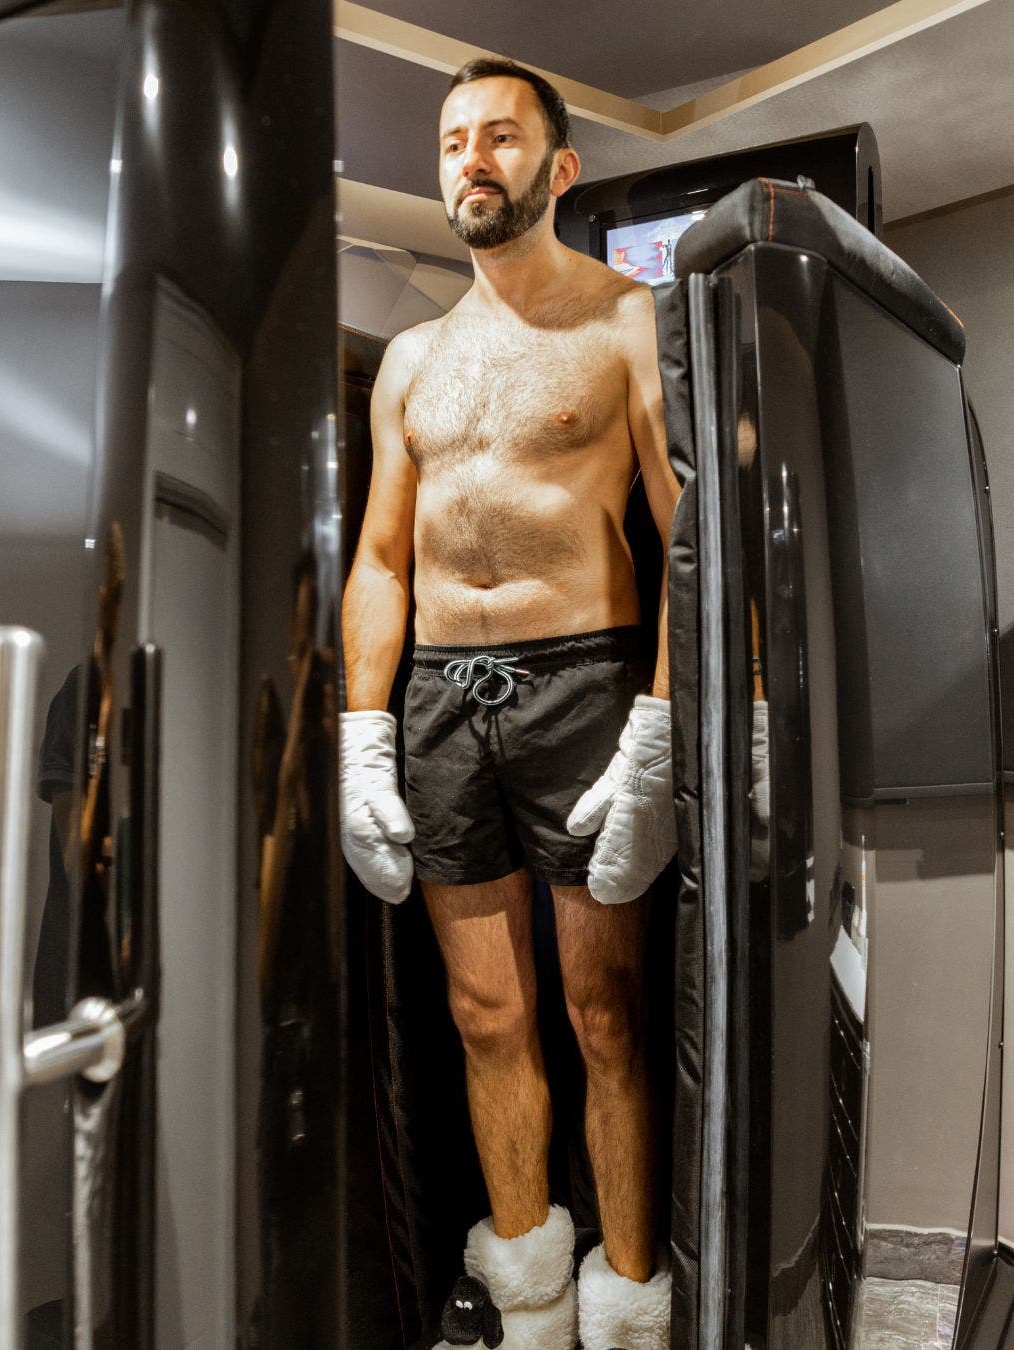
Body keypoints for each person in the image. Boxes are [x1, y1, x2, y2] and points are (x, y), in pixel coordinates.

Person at [339, 56, 679, 1350]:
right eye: (450, 142)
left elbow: (687, 534)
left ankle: (632, 1299)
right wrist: (363, 732)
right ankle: (531, 1298)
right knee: (485, 1011)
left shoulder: (626, 321)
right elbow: (380, 557)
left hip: (582, 681)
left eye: (497, 137)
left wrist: (656, 726)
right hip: (437, 699)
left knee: (606, 1013)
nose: (469, 159)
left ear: (558, 168)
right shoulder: (412, 360)